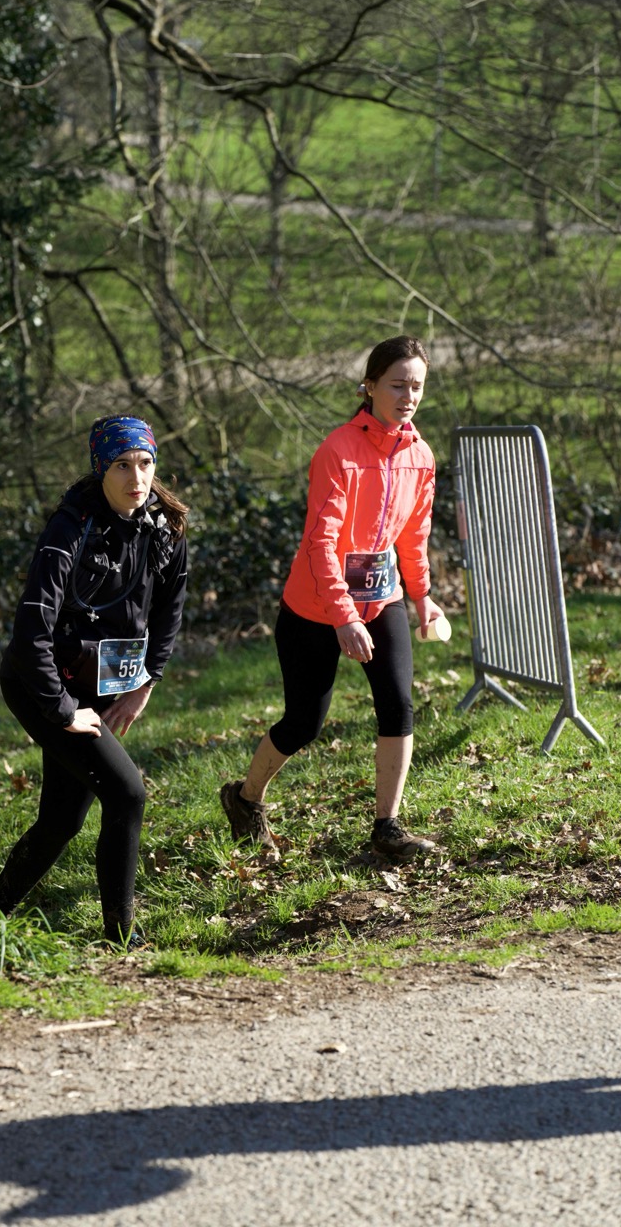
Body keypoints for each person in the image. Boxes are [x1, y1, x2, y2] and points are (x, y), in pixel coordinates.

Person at [220, 335, 446, 865]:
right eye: (398, 385)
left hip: (381, 600)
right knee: (304, 723)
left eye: (417, 386)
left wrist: (423, 598)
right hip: (314, 608)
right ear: (370, 386)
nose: (409, 396)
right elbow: (321, 543)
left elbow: (414, 537)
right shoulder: (338, 452)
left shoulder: (421, 456)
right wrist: (343, 617)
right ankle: (246, 799)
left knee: (398, 705)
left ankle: (387, 827)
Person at [0, 415, 188, 947]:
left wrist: (145, 683)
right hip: (41, 684)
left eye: (145, 463)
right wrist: (62, 710)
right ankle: (121, 937)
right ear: (101, 469)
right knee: (127, 794)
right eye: (122, 465)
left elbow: (169, 610)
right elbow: (30, 634)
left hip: (102, 684)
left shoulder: (165, 526)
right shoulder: (70, 528)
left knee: (61, 820)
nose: (136, 477)